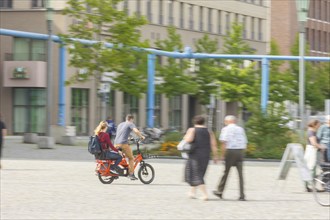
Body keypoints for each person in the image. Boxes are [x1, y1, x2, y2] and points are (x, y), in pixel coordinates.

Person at [183, 115, 218, 201]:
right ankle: (192, 192)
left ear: (194, 122)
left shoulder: (192, 130)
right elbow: (213, 144)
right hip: (206, 155)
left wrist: (185, 136)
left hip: (195, 155)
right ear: (203, 122)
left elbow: (188, 140)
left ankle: (205, 195)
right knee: (199, 173)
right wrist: (215, 156)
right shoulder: (209, 131)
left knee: (197, 174)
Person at [213, 115, 247, 201]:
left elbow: (224, 143)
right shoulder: (240, 129)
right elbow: (245, 142)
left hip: (230, 151)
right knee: (240, 174)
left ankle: (220, 191)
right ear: (234, 121)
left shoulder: (225, 129)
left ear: (227, 121)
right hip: (240, 151)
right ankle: (242, 195)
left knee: (226, 172)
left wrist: (222, 155)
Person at [114, 114, 145, 180]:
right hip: (123, 144)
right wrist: (141, 136)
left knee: (124, 157)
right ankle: (131, 174)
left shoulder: (120, 124)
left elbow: (121, 134)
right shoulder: (130, 123)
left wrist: (128, 138)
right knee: (131, 158)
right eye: (133, 120)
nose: (133, 121)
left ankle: (123, 169)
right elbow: (136, 131)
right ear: (131, 119)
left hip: (116, 144)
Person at [304, 119, 325, 192]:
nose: (319, 126)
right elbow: (313, 143)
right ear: (314, 124)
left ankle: (309, 186)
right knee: (312, 168)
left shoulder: (312, 131)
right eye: (318, 124)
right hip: (312, 151)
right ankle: (310, 186)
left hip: (312, 151)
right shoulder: (311, 132)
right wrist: (321, 147)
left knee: (311, 168)